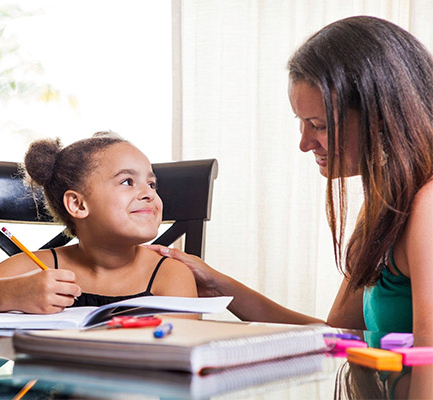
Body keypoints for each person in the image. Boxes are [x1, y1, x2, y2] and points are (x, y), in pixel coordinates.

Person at [147, 16, 433, 398]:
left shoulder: (427, 207)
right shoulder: (385, 206)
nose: (304, 143)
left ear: (381, 117)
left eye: (319, 124)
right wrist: (222, 286)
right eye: (300, 122)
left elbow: (428, 361)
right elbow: (338, 337)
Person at [0, 132, 197, 316]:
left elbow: (183, 358)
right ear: (78, 205)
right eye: (127, 181)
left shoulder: (170, 275)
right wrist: (12, 291)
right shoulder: (35, 268)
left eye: (151, 183)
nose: (149, 193)